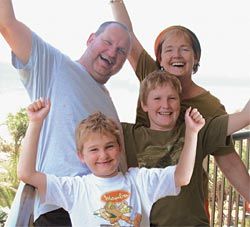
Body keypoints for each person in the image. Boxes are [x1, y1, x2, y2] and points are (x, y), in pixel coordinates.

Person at [109, 0, 250, 222]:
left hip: (184, 207)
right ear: (160, 60)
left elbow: (228, 160)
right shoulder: (151, 77)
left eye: (185, 49)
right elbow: (128, 37)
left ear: (196, 58)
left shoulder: (210, 106)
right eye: (169, 50)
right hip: (144, 206)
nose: (177, 55)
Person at [0, 0, 132, 225]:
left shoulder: (108, 103)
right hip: (60, 208)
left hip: (103, 212)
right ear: (91, 39)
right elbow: (6, 23)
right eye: (107, 42)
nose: (112, 52)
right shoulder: (54, 66)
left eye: (121, 51)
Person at [18, 97, 204, 227]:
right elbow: (26, 174)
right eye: (93, 149)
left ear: (119, 148)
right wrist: (35, 123)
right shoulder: (75, 188)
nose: (103, 155)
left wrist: (192, 133)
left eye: (109, 146)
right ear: (81, 155)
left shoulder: (139, 180)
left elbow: (182, 177)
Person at [121, 70, 250, 226]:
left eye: (172, 98)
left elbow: (245, 116)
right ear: (144, 104)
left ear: (179, 102)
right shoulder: (129, 135)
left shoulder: (197, 130)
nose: (165, 105)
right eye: (157, 98)